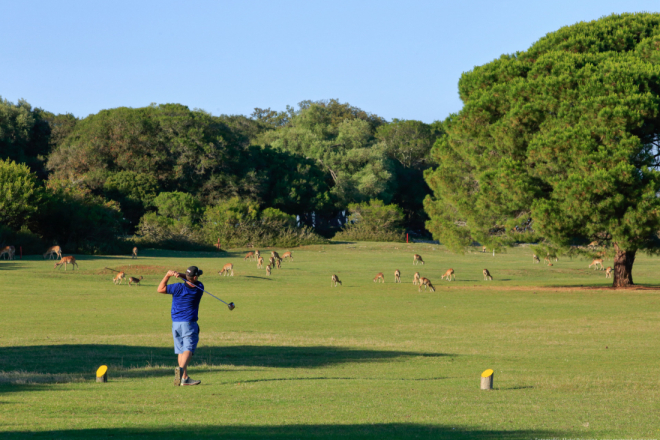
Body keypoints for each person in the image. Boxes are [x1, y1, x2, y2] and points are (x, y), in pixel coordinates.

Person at [157, 266, 205, 386]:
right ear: (195, 277)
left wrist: (168, 275)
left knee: (181, 351)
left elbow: (160, 289)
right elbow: (190, 280)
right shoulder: (199, 287)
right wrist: (181, 275)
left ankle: (184, 378)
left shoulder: (177, 287)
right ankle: (181, 370)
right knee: (188, 349)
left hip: (176, 323)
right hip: (189, 323)